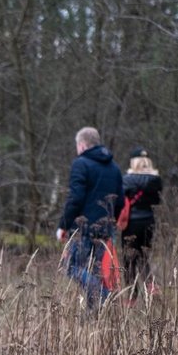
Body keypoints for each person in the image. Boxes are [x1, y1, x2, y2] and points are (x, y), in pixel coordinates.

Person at [56, 127, 123, 307]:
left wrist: (63, 225)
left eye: (77, 145)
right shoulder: (114, 168)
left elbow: (75, 198)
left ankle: (105, 296)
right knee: (94, 274)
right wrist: (109, 222)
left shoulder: (81, 163)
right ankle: (93, 319)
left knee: (71, 267)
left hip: (83, 229)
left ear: (83, 144)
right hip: (106, 230)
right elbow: (121, 201)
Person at [118, 147, 163, 299]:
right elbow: (157, 201)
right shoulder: (156, 181)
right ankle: (151, 287)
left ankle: (131, 296)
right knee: (143, 256)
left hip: (131, 223)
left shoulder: (127, 180)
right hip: (149, 221)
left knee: (128, 259)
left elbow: (120, 200)